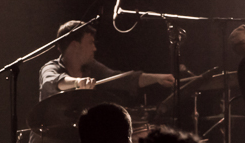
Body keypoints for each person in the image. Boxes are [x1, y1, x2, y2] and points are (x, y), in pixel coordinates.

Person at [39, 21, 175, 101]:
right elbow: (53, 82)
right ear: (75, 45)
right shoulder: (50, 68)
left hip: (76, 141)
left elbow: (123, 79)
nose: (95, 48)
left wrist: (157, 78)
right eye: (90, 43)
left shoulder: (92, 68)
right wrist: (78, 83)